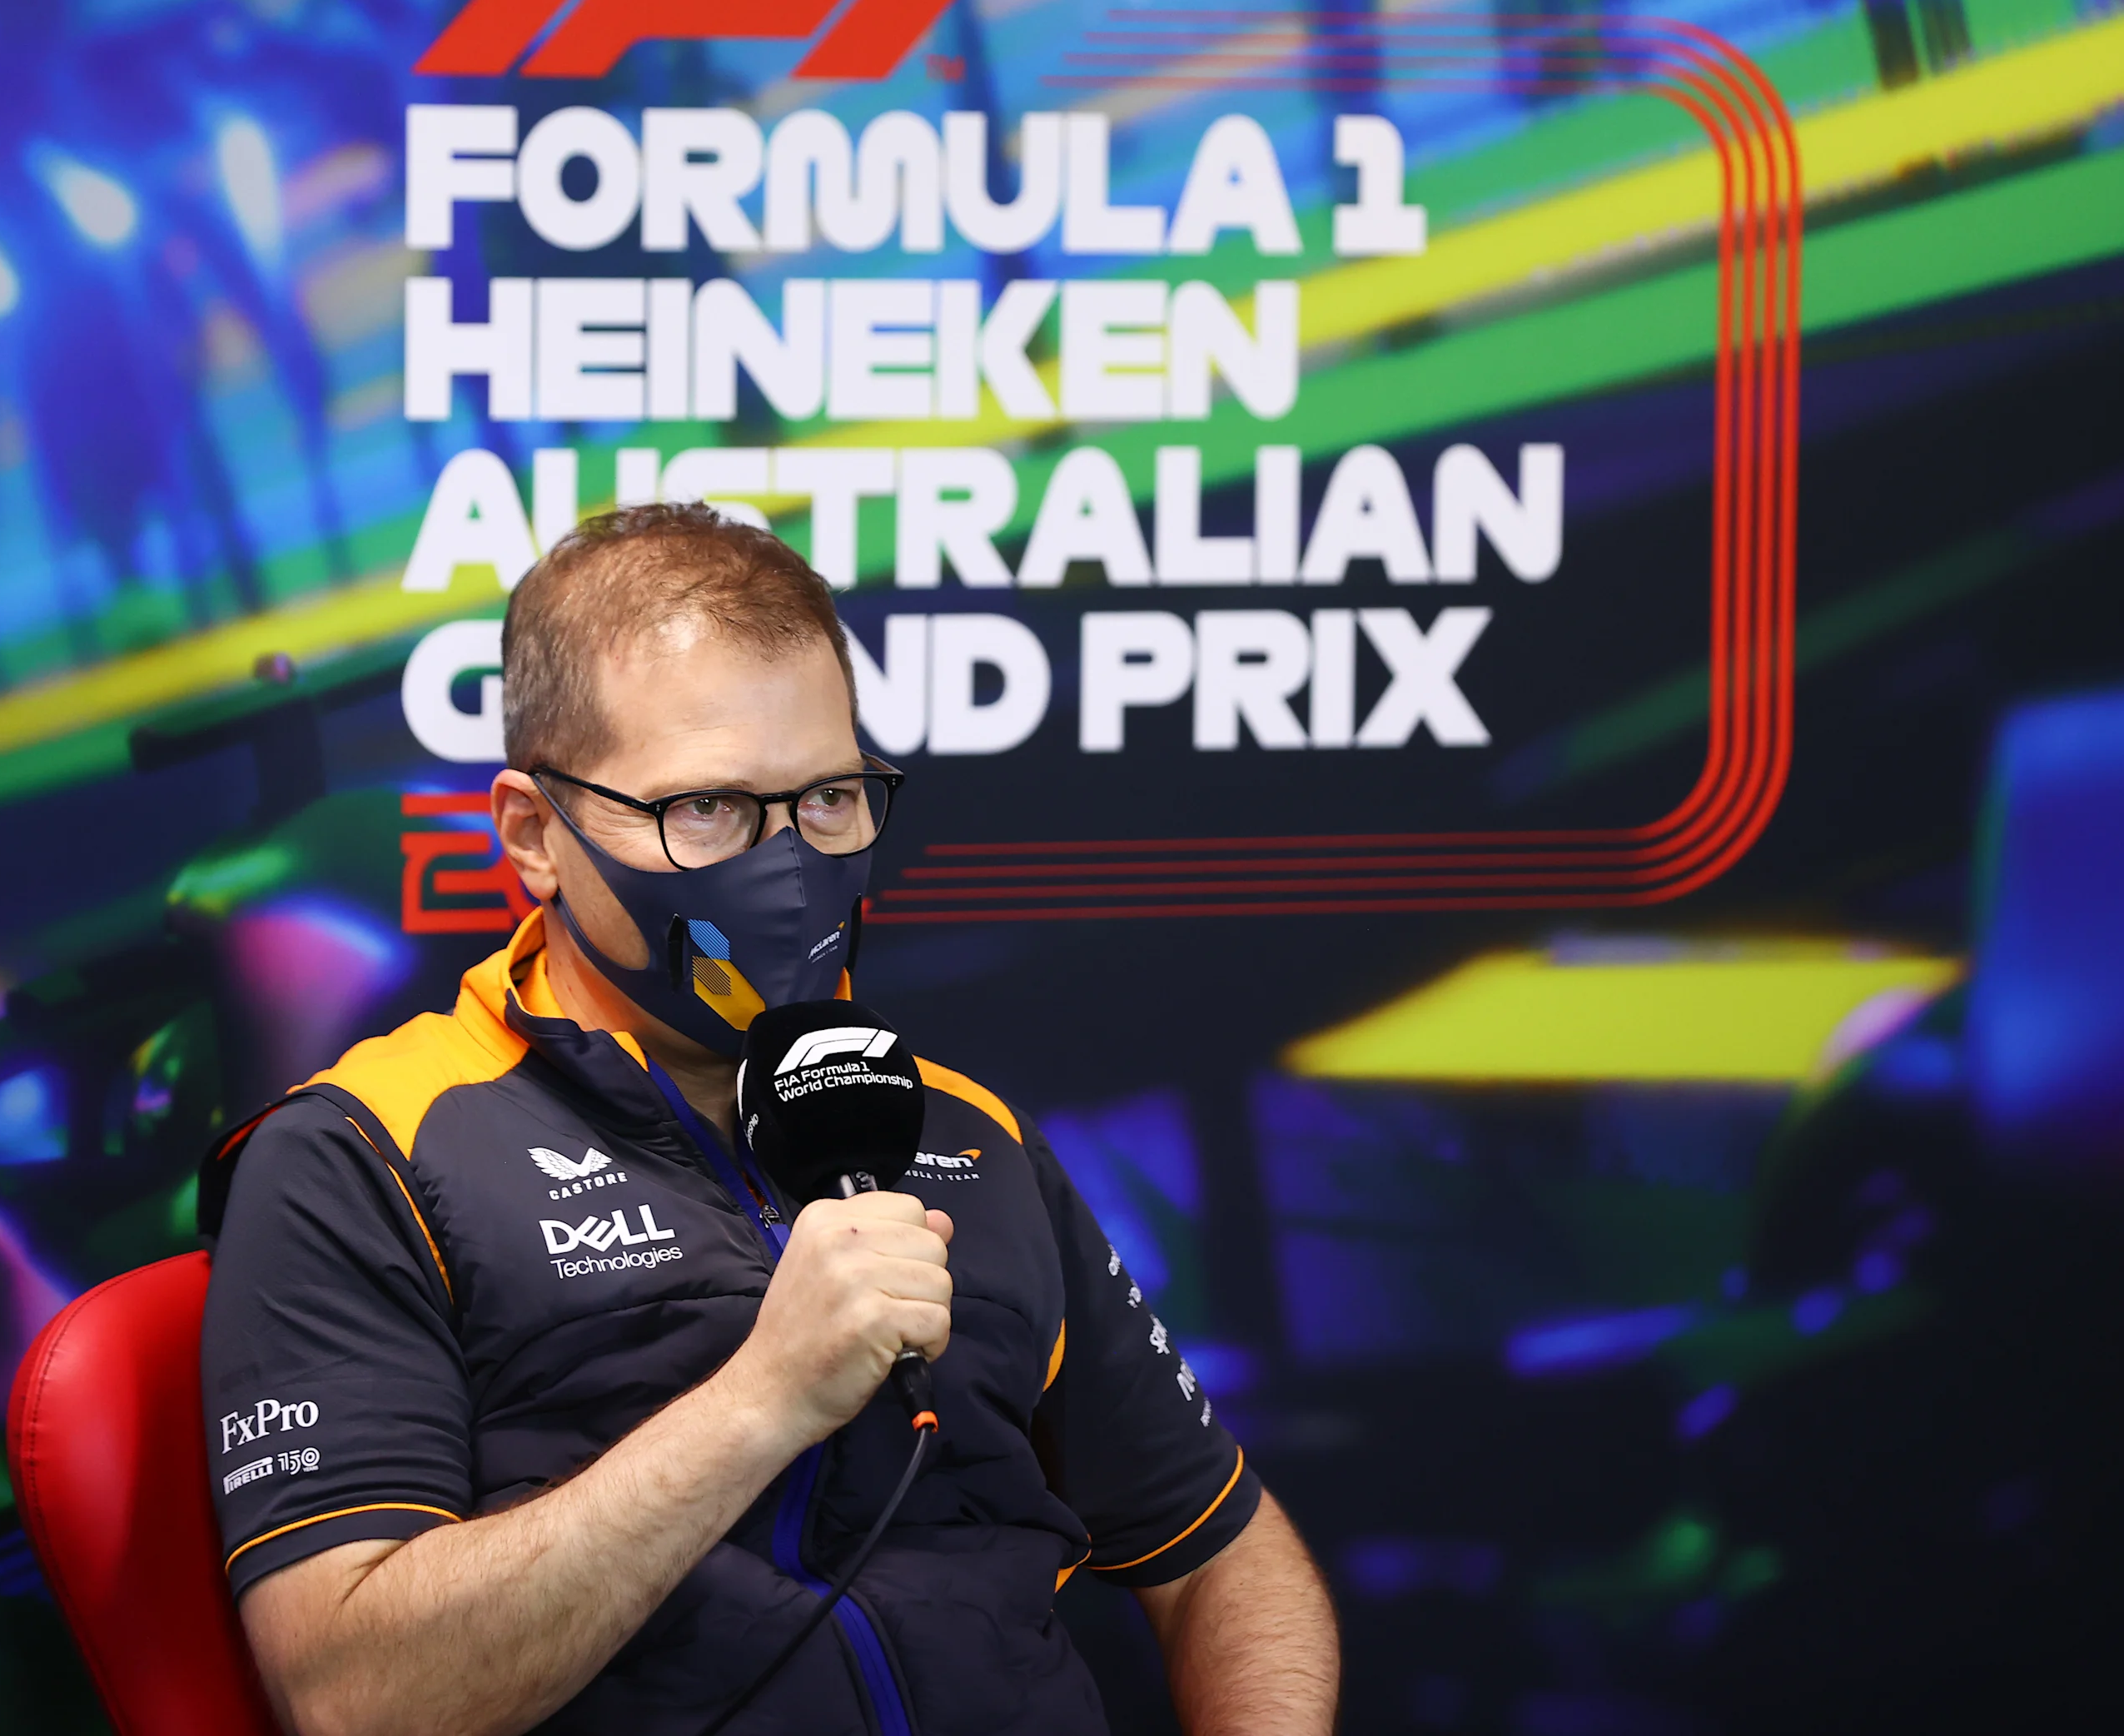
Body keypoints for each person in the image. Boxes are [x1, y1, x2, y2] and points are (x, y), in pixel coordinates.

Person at [196, 505, 1338, 1736]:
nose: (788, 863)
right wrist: (766, 1397)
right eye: (710, 811)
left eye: (831, 799)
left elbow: (1224, 1551)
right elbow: (359, 1697)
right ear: (535, 834)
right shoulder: (363, 1151)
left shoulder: (964, 1129)